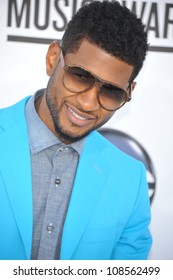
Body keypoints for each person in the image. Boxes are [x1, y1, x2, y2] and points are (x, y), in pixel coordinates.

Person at [0, 0, 152, 260]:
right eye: (80, 76)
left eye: (112, 91)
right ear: (52, 59)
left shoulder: (130, 179)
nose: (88, 103)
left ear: (128, 93)